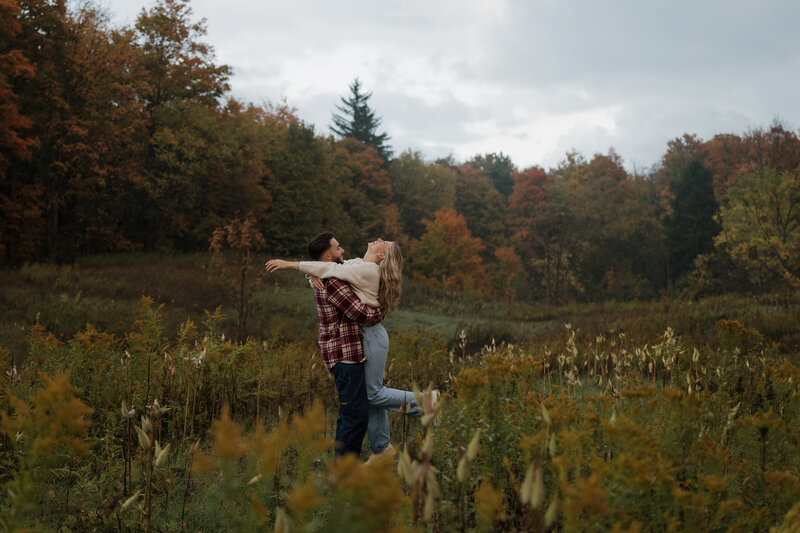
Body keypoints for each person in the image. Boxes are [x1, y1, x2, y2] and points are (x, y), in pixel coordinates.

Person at [267, 236, 428, 461]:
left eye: (384, 243)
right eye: (337, 247)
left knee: (373, 394)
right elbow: (332, 268)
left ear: (381, 256)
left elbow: (358, 308)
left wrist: (294, 265)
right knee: (371, 395)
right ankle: (381, 448)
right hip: (359, 339)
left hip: (370, 335)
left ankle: (425, 404)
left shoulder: (365, 272)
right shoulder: (356, 266)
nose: (379, 239)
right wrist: (311, 275)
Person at [275, 232, 383, 458]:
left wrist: (308, 275)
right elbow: (360, 314)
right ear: (327, 255)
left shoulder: (330, 276)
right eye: (338, 248)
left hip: (343, 354)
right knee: (355, 416)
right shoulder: (333, 282)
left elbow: (354, 265)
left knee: (349, 413)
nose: (342, 251)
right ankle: (345, 471)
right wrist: (381, 311)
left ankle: (340, 467)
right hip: (345, 355)